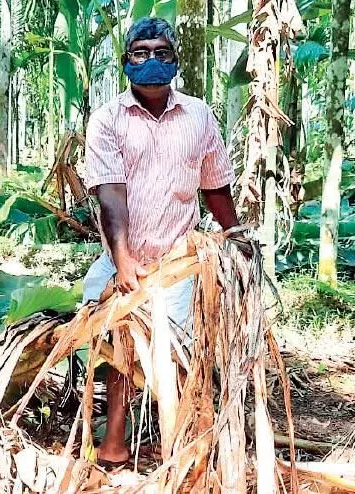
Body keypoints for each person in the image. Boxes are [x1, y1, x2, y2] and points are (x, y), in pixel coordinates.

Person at [82, 17, 239, 466]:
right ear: (126, 60)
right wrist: (124, 260)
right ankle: (115, 439)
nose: (151, 60)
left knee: (180, 354)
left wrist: (234, 233)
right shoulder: (108, 120)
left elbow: (214, 185)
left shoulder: (199, 116)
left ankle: (182, 441)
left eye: (161, 52)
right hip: (122, 257)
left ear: (176, 59)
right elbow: (110, 195)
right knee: (118, 346)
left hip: (179, 259)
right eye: (140, 52)